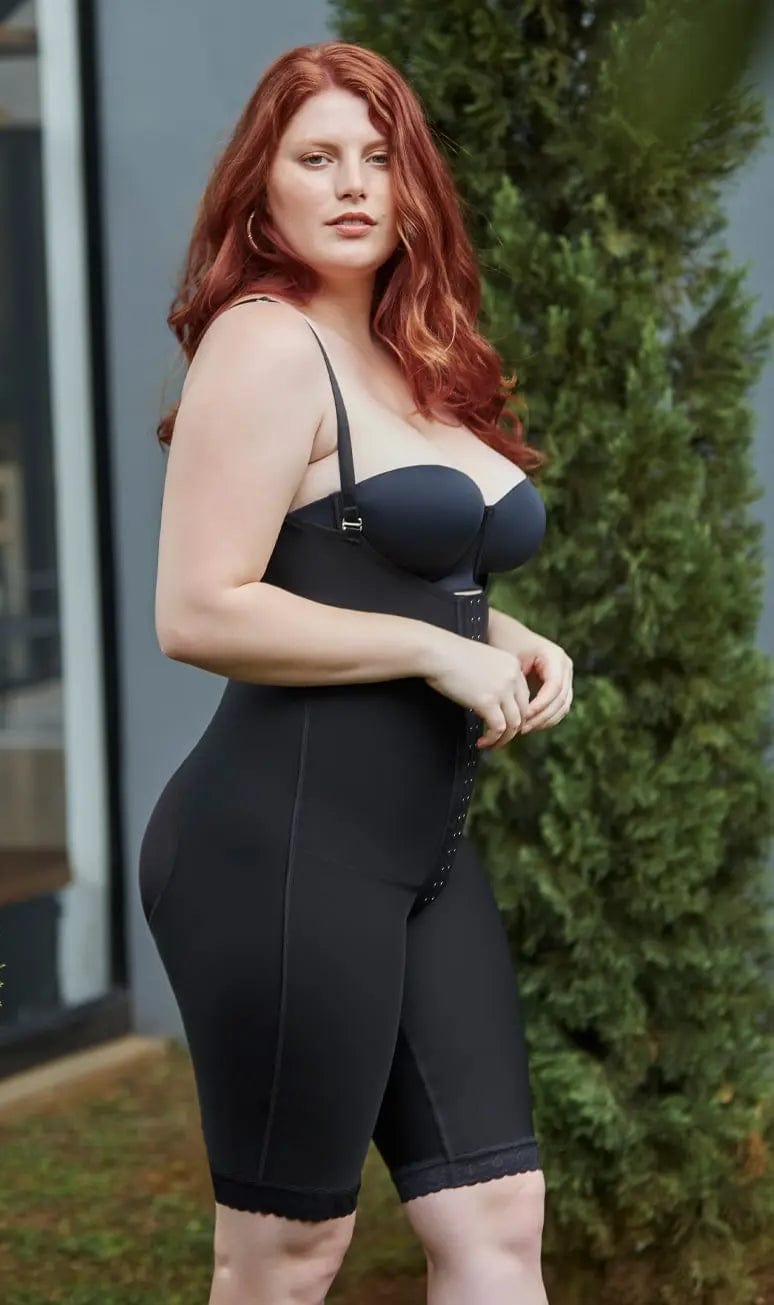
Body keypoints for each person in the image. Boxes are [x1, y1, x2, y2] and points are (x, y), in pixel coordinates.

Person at [139, 39, 572, 1305]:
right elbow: (198, 609)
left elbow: (363, 565)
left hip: (421, 854)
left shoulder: (406, 350)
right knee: (285, 1257)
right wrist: (439, 649)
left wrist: (504, 633)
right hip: (279, 848)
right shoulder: (264, 344)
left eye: (379, 159)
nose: (351, 186)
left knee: (497, 1222)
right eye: (317, 157)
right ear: (260, 186)